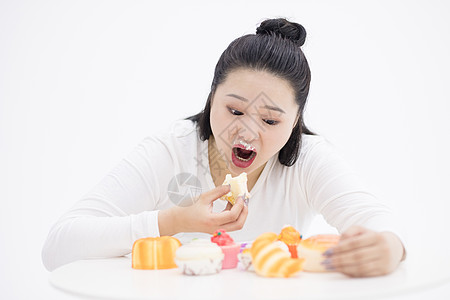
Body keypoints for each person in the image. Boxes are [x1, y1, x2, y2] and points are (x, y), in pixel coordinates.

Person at [42, 18, 406, 277]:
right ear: (211, 97)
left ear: (295, 121)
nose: (245, 130)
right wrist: (171, 221)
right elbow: (58, 247)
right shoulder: (170, 151)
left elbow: (384, 225)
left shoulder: (308, 161)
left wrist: (391, 247)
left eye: (270, 120)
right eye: (234, 110)